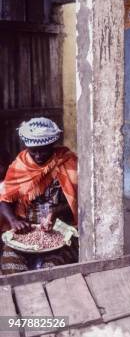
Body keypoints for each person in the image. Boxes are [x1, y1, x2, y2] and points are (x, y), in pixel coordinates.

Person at [0, 118, 78, 275]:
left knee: (51, 270)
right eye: (33, 150)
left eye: (43, 150)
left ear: (52, 145)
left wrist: (55, 213)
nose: (38, 156)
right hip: (25, 228)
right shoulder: (19, 165)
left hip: (61, 228)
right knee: (12, 268)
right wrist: (14, 220)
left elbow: (80, 202)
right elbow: (4, 199)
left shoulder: (67, 162)